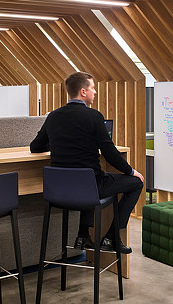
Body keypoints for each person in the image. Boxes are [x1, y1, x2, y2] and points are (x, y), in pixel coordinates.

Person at [30, 71, 145, 254]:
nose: (95, 92)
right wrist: (132, 171)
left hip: (59, 189)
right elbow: (110, 154)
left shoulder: (53, 117)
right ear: (83, 92)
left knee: (86, 177)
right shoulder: (94, 116)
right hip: (89, 187)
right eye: (93, 88)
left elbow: (35, 147)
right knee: (136, 183)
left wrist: (61, 142)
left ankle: (83, 236)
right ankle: (111, 238)